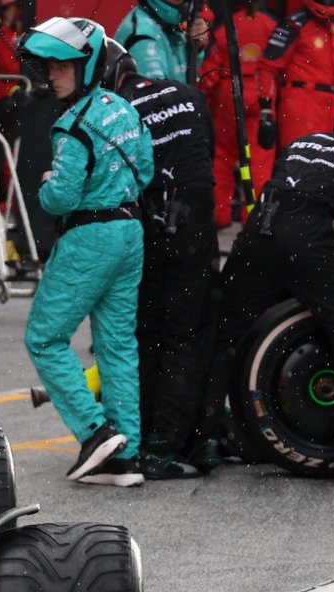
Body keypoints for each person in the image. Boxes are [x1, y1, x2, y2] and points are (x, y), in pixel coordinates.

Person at [204, 82, 334, 487]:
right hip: (309, 244)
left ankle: (206, 441)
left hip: (256, 237)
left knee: (223, 338)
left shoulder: (303, 143)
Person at [19, 17, 154, 488]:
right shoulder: (124, 109)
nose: (51, 74)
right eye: (49, 66)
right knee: (117, 346)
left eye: (62, 66)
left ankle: (95, 432)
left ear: (88, 65)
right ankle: (126, 458)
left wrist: (45, 186)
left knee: (44, 337)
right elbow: (147, 171)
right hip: (130, 232)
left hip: (89, 237)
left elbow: (60, 198)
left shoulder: (69, 125)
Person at [103, 41, 217, 480]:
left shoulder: (114, 109)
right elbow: (203, 154)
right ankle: (180, 442)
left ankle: (143, 439)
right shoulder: (187, 92)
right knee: (188, 336)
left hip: (148, 223)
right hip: (195, 217)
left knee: (146, 334)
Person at [199, 0, 278, 228]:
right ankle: (254, 214)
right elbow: (275, 64)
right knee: (259, 159)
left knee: (222, 154)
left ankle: (219, 213)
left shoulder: (227, 26)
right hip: (260, 90)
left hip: (229, 89)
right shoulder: (270, 25)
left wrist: (203, 94)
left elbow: (211, 67)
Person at [262, 0, 334, 148]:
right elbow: (267, 68)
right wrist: (266, 113)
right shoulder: (294, 24)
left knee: (325, 162)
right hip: (300, 102)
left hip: (330, 105)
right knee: (297, 158)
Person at [115, 0, 197, 83]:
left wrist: (197, 48)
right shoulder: (144, 36)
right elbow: (157, 92)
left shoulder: (168, 24)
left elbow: (181, 71)